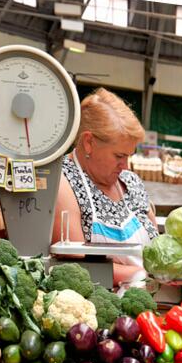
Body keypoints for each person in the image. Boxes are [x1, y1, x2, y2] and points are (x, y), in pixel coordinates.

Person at [52, 88, 158, 287]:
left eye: (129, 156)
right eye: (119, 156)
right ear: (89, 142)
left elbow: (158, 246)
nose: (126, 166)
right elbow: (74, 264)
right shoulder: (63, 183)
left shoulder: (131, 182)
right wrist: (134, 274)